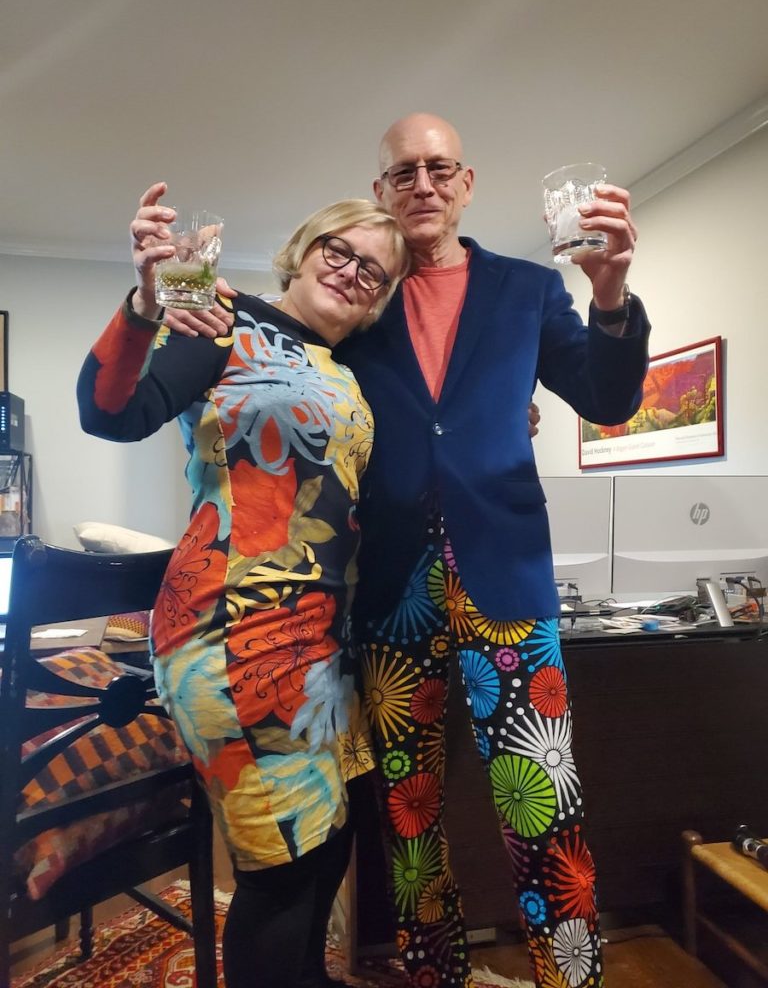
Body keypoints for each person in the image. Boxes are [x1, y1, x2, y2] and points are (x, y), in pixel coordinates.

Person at [164, 113, 650, 988]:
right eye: (403, 172)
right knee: (408, 811)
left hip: (505, 573)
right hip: (388, 587)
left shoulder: (528, 289)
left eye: (439, 168)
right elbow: (291, 366)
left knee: (543, 801)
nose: (422, 184)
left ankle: (571, 979)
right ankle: (434, 976)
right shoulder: (362, 300)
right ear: (382, 191)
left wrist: (610, 294)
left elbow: (608, 401)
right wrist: (178, 300)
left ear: (466, 183)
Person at [77, 183, 410, 988]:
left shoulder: (349, 369)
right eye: (339, 250)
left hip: (325, 647)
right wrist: (146, 304)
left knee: (326, 840)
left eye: (373, 271)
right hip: (234, 635)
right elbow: (111, 411)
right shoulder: (221, 314)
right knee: (281, 866)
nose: (352, 272)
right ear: (303, 250)